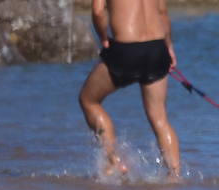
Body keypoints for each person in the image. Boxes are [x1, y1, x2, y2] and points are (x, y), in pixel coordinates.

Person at [77, 0, 181, 179]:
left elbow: (98, 11)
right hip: (156, 48)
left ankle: (113, 160)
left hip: (126, 49)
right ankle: (174, 176)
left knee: (88, 100)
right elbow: (163, 13)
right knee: (160, 118)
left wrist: (102, 37)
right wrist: (169, 47)